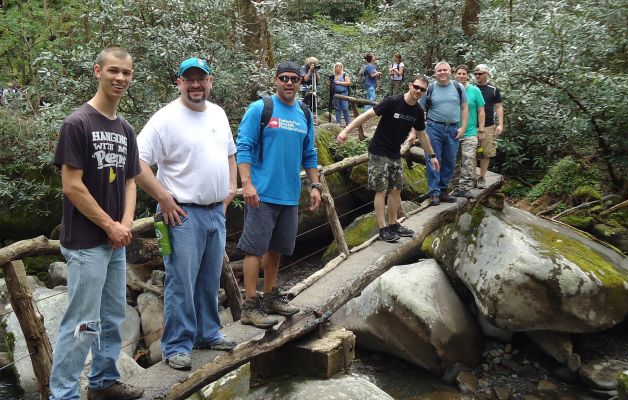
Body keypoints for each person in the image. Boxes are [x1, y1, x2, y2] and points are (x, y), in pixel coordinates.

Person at [49, 47, 144, 400]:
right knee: (82, 322)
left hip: (115, 240)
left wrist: (127, 222)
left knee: (113, 314)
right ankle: (64, 393)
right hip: (86, 242)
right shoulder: (77, 123)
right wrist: (110, 225)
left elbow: (131, 180)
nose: (120, 78)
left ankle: (104, 382)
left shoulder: (126, 129)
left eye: (127, 73)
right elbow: (72, 185)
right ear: (98, 71)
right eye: (113, 71)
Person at [135, 57, 238, 371]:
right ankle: (176, 346)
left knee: (209, 279)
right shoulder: (165, 118)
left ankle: (207, 333)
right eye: (188, 79)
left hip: (214, 213)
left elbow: (230, 153)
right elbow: (136, 162)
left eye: (201, 79)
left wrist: (231, 188)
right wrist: (163, 197)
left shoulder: (218, 114)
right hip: (179, 215)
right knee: (180, 282)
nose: (195, 85)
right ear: (179, 82)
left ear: (210, 81)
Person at [236, 61, 321, 329]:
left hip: (290, 194)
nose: (289, 82)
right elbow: (243, 146)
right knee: (253, 249)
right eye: (284, 78)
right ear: (275, 80)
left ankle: (271, 296)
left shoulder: (304, 114)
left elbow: (310, 153)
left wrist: (316, 185)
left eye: (294, 79)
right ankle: (250, 305)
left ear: (299, 82)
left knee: (277, 249)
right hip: (261, 194)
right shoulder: (261, 109)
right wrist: (246, 184)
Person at [337, 75, 440, 242]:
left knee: (396, 190)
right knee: (381, 189)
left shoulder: (418, 111)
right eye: (416, 87)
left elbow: (422, 135)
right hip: (378, 150)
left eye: (422, 89)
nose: (418, 91)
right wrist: (346, 130)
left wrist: (432, 155)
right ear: (409, 85)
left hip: (395, 152)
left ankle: (393, 224)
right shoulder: (393, 101)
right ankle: (383, 228)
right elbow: (368, 116)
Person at [420, 61, 468, 206]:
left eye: (445, 70)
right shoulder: (429, 88)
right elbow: (419, 108)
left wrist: (463, 127)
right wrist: (417, 130)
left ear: (450, 71)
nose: (442, 72)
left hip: (453, 129)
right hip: (434, 127)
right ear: (435, 73)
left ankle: (443, 190)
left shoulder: (458, 87)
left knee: (449, 160)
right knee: (434, 159)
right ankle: (434, 193)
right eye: (439, 70)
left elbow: (464, 108)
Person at [452, 65, 485, 198]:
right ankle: (455, 187)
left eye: (464, 74)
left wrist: (481, 130)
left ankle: (465, 187)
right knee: (454, 161)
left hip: (470, 132)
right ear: (455, 75)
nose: (461, 76)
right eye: (459, 73)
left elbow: (481, 111)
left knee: (468, 160)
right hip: (453, 132)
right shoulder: (450, 89)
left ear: (467, 75)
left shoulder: (475, 90)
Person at [474, 64, 504, 188]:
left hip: (489, 126)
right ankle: (473, 177)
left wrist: (501, 124)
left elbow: (498, 106)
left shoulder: (493, 89)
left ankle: (482, 177)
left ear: (487, 74)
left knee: (486, 153)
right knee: (472, 153)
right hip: (472, 126)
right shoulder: (471, 88)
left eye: (480, 73)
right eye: (475, 74)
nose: (477, 76)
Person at [331, 62, 351, 127]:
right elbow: (330, 85)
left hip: (344, 94)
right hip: (335, 94)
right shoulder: (333, 75)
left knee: (345, 108)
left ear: (341, 67)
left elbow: (348, 83)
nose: (337, 68)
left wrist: (339, 82)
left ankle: (348, 122)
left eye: (339, 67)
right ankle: (338, 123)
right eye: (336, 67)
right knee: (337, 108)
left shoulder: (344, 74)